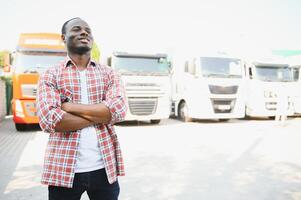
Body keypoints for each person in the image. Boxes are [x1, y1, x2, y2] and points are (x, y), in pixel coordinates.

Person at [37, 17, 127, 200]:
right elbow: (50, 120)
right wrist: (101, 114)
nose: (84, 32)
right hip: (63, 170)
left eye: (87, 30)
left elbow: (118, 110)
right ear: (64, 37)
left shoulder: (109, 73)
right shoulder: (51, 74)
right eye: (77, 29)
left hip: (104, 169)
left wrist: (69, 107)